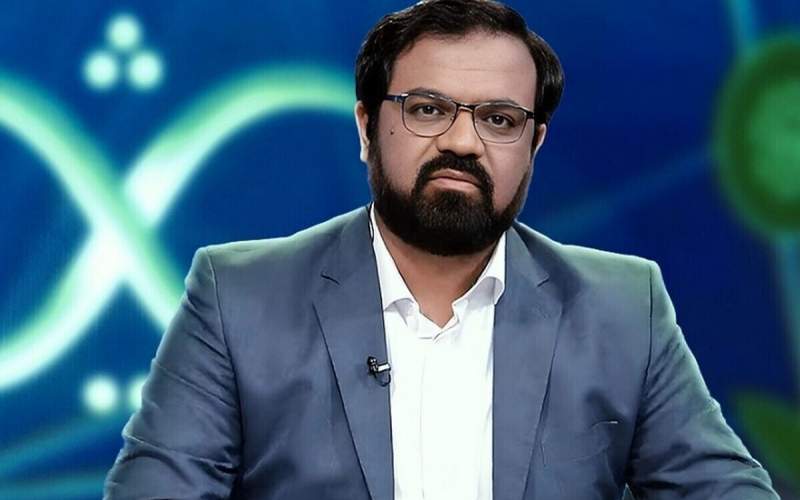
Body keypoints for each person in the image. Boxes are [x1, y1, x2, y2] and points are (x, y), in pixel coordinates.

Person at [104, 0, 779, 498]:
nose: (462, 141)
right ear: (367, 127)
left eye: (499, 119)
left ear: (534, 144)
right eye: (427, 109)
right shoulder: (238, 297)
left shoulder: (622, 306)